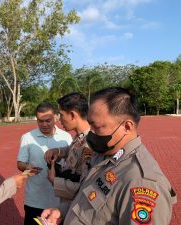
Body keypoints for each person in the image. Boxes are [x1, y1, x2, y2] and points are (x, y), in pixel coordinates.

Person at [41, 87, 177, 225]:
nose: (91, 134)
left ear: (127, 127)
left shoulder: (142, 182)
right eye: (90, 126)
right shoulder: (103, 154)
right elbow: (84, 196)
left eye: (97, 127)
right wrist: (62, 212)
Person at [17, 102, 73, 225]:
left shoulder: (66, 138)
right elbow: (20, 163)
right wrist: (27, 167)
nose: (44, 125)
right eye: (40, 121)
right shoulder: (27, 137)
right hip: (34, 200)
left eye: (48, 121)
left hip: (59, 201)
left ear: (55, 117)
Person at [44, 93, 93, 214]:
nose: (59, 120)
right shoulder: (80, 137)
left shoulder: (90, 145)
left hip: (76, 209)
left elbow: (84, 188)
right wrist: (58, 151)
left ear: (72, 115)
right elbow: (73, 149)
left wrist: (54, 180)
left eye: (61, 115)